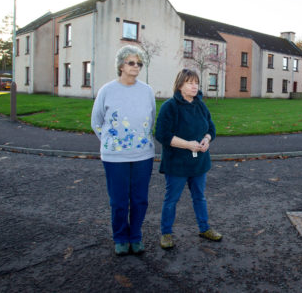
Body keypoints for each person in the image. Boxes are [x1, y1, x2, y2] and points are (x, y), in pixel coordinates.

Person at [91, 45, 156, 256]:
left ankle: (135, 236)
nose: (136, 66)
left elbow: (151, 120)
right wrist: (112, 144)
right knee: (119, 201)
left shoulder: (147, 91)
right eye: (131, 62)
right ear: (121, 65)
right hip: (114, 157)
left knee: (140, 199)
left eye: (139, 63)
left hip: (143, 156)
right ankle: (120, 237)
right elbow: (96, 121)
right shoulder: (107, 91)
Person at [155, 68, 221, 249]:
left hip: (199, 162)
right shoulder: (170, 106)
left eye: (196, 83)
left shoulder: (200, 105)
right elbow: (162, 134)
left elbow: (211, 128)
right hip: (176, 163)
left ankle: (204, 228)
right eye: (190, 83)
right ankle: (166, 233)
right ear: (180, 85)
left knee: (199, 197)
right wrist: (188, 144)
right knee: (171, 199)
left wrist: (207, 140)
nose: (194, 86)